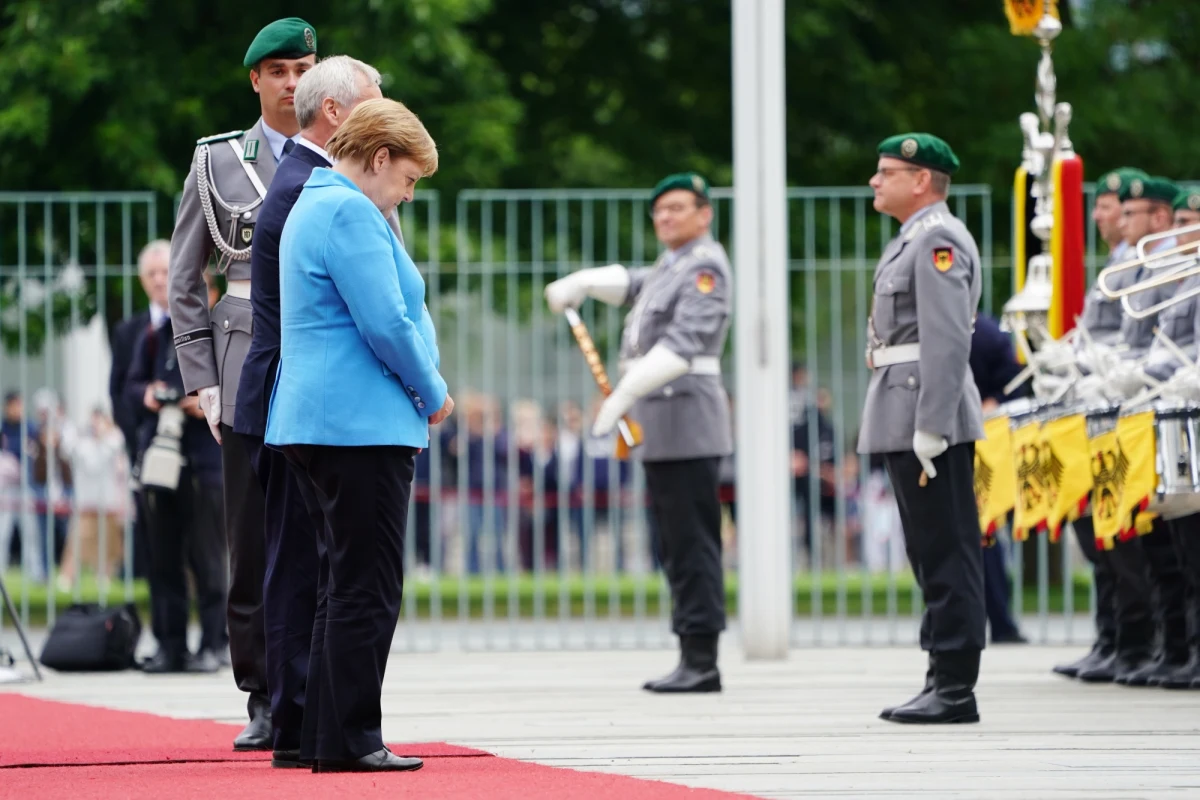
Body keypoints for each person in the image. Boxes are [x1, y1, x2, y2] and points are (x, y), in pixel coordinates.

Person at [267, 97, 452, 773]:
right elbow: (387, 323)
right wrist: (432, 392)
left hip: (320, 421)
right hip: (360, 424)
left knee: (338, 583)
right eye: (407, 178)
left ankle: (322, 734)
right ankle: (352, 737)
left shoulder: (313, 203)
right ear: (379, 159)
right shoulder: (349, 210)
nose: (407, 193)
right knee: (367, 586)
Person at [166, 18, 317, 750]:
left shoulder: (345, 152)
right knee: (251, 536)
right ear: (255, 79)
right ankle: (261, 691)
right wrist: (201, 378)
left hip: (322, 356)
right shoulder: (218, 160)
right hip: (243, 352)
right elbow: (185, 279)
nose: (293, 82)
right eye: (280, 70)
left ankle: (317, 682)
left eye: (304, 68)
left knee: (321, 531)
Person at [231, 54, 383, 768]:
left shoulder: (301, 178)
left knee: (304, 563)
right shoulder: (309, 187)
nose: (385, 114)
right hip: (300, 398)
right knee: (300, 568)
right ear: (335, 115)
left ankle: (299, 720)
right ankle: (295, 722)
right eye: (374, 103)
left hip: (287, 393)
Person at [545, 171, 734, 694]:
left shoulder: (706, 267)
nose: (666, 217)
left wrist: (622, 397)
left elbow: (685, 343)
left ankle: (702, 657)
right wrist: (583, 281)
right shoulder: (671, 266)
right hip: (664, 426)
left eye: (677, 208)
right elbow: (631, 283)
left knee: (692, 545)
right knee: (672, 544)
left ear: (704, 213)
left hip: (687, 422)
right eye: (660, 210)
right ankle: (690, 651)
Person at [857, 133, 985, 724]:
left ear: (922, 180)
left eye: (887, 172)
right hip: (902, 408)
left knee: (946, 548)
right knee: (928, 549)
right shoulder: (913, 237)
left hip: (923, 415)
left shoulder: (936, 237)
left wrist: (932, 423)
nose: (875, 181)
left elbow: (948, 337)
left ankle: (956, 686)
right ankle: (941, 675)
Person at [1052, 168, 1149, 681]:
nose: (1101, 216)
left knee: (1131, 533)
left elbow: (1143, 342)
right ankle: (1114, 637)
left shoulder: (1145, 262)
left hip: (1132, 405)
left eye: (1110, 207)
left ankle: (1141, 642)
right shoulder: (1117, 264)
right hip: (1104, 401)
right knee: (1098, 529)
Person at [124, 310, 227, 673]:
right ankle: (171, 645)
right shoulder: (156, 335)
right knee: (164, 559)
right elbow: (130, 385)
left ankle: (215, 644)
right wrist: (149, 394)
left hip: (205, 463)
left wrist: (207, 402)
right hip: (161, 459)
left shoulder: (221, 326)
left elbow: (242, 379)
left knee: (208, 560)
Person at [109, 241, 172, 580]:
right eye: (152, 273)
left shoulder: (200, 322)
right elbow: (118, 392)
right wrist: (138, 442)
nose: (160, 280)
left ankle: (213, 634)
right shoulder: (129, 331)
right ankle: (166, 633)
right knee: (158, 556)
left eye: (165, 271)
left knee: (206, 559)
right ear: (142, 279)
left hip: (195, 458)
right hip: (148, 454)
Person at [967, 311, 1028, 645]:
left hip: (985, 444)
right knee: (983, 539)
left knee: (982, 538)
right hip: (979, 442)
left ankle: (997, 621)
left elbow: (1014, 385)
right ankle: (1000, 624)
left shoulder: (987, 334)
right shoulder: (989, 333)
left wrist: (994, 402)